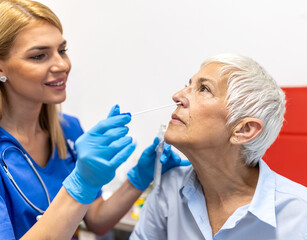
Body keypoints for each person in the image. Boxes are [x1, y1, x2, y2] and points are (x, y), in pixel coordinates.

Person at [0, 0, 189, 239]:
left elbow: (95, 220)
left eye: (62, 50)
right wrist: (80, 183)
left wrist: (139, 177)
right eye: (39, 56)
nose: (62, 65)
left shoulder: (68, 130)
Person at [130, 54, 307, 240]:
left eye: (204, 89)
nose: (177, 96)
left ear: (244, 129)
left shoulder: (305, 217)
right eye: (188, 84)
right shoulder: (169, 189)